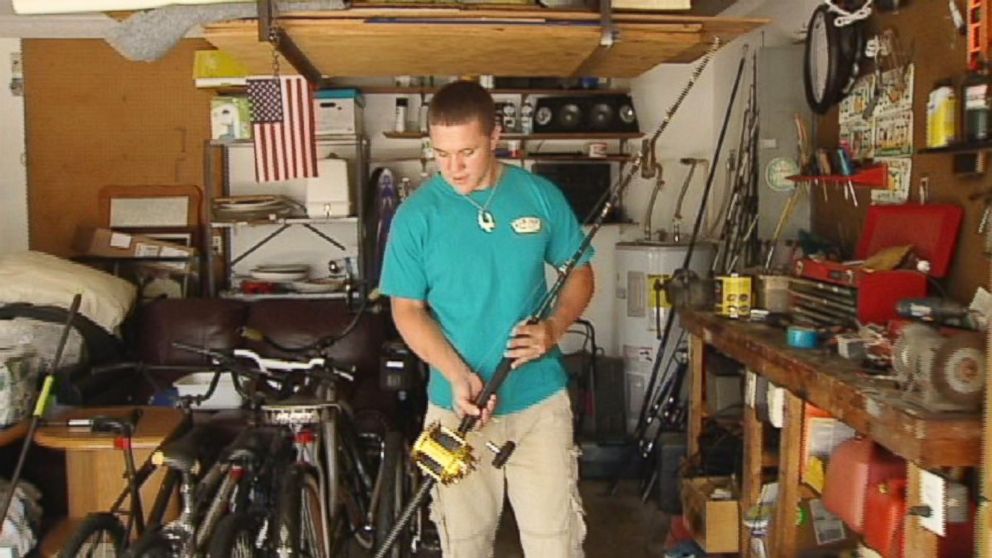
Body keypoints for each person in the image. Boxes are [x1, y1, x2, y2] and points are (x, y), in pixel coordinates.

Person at [379, 80, 596, 558]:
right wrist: (457, 375)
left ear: (496, 137)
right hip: (456, 411)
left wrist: (554, 330)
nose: (453, 167)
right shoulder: (416, 217)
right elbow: (406, 310)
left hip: (539, 404)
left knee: (555, 545)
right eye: (441, 153)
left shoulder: (538, 196)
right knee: (466, 546)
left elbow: (580, 273)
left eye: (467, 152)